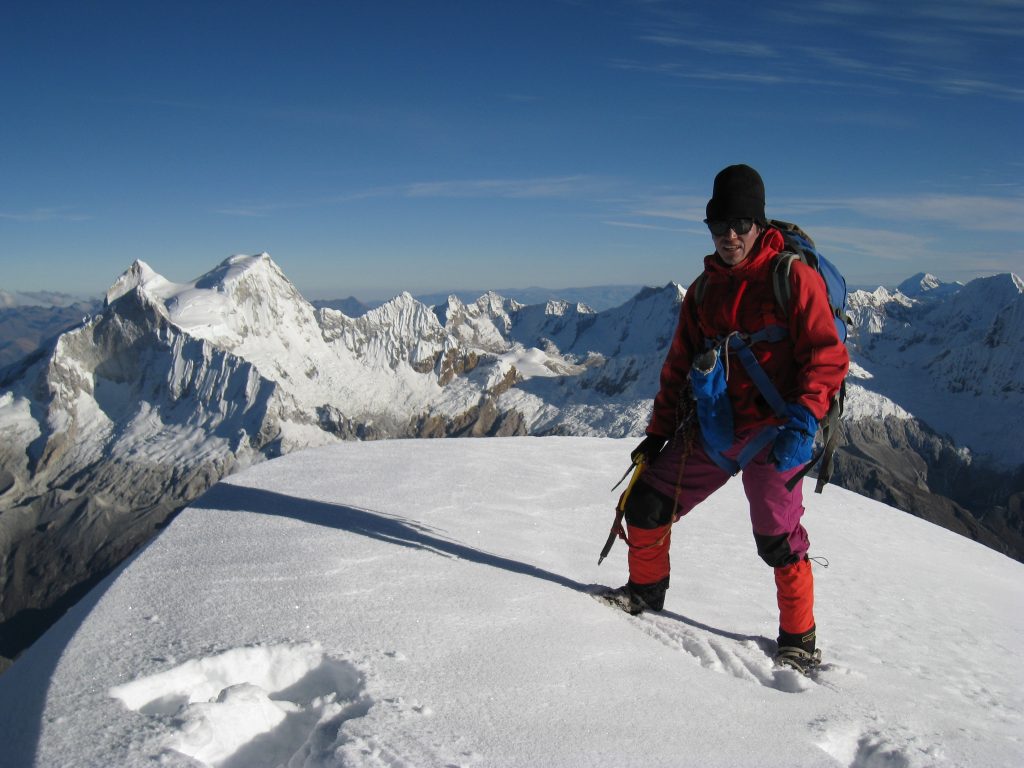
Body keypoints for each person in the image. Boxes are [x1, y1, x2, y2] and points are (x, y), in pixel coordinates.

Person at [603, 164, 849, 673]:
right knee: (647, 503)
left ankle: (798, 638)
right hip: (714, 431)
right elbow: (677, 368)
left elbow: (827, 356)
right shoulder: (702, 291)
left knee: (778, 540)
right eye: (719, 226)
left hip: (777, 436)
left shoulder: (791, 278)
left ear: (758, 224)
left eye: (739, 224)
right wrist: (657, 435)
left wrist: (804, 422)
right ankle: (645, 594)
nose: (729, 236)